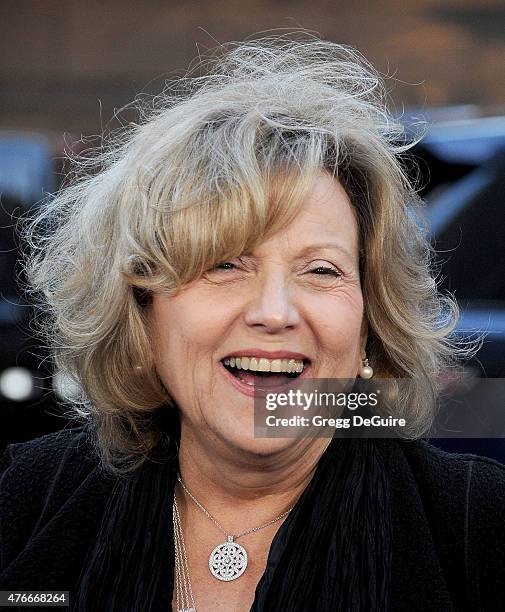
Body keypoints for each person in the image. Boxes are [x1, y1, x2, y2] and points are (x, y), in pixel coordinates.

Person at [1, 35, 504, 612]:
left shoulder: (478, 529)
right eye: (224, 265)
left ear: (370, 321)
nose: (273, 312)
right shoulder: (28, 501)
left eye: (320, 270)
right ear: (141, 311)